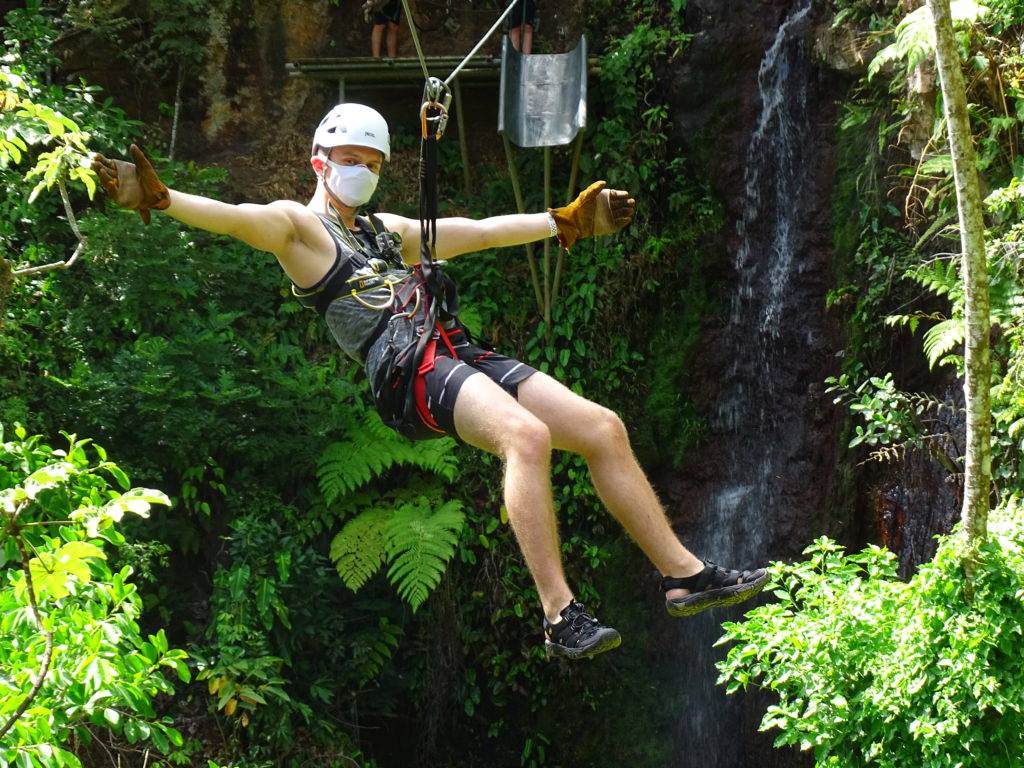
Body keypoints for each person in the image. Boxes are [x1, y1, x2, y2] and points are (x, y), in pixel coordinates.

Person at [91, 103, 768, 660]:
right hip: (404, 369)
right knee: (525, 436)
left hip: (452, 347)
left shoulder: (387, 233)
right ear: (318, 162)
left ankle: (685, 576)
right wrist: (162, 197)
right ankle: (560, 614)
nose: (361, 171)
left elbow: (475, 231)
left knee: (601, 428)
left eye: (373, 163)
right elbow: (240, 219)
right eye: (350, 159)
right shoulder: (300, 230)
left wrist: (562, 222)